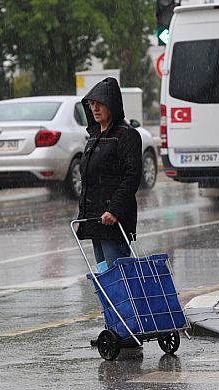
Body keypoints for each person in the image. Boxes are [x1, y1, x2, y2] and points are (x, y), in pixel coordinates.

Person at [76, 77, 142, 268]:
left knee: (119, 274)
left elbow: (131, 176)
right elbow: (89, 181)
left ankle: (128, 300)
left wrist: (114, 210)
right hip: (95, 220)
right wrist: (83, 215)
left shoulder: (126, 135)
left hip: (114, 221)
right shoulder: (94, 137)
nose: (95, 108)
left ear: (111, 105)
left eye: (100, 104)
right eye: (92, 104)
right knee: (106, 276)